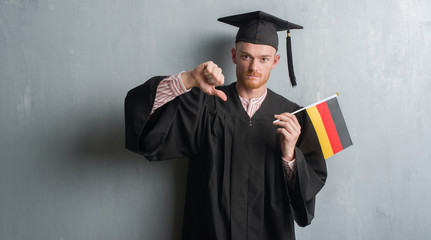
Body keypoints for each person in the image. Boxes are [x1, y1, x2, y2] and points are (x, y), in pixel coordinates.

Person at [125, 11, 327, 240]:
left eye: (264, 59)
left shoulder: (294, 117)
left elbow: (307, 194)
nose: (254, 67)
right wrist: (188, 80)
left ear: (276, 61)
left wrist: (290, 156)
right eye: (246, 56)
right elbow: (147, 126)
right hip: (210, 231)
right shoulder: (204, 106)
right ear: (233, 55)